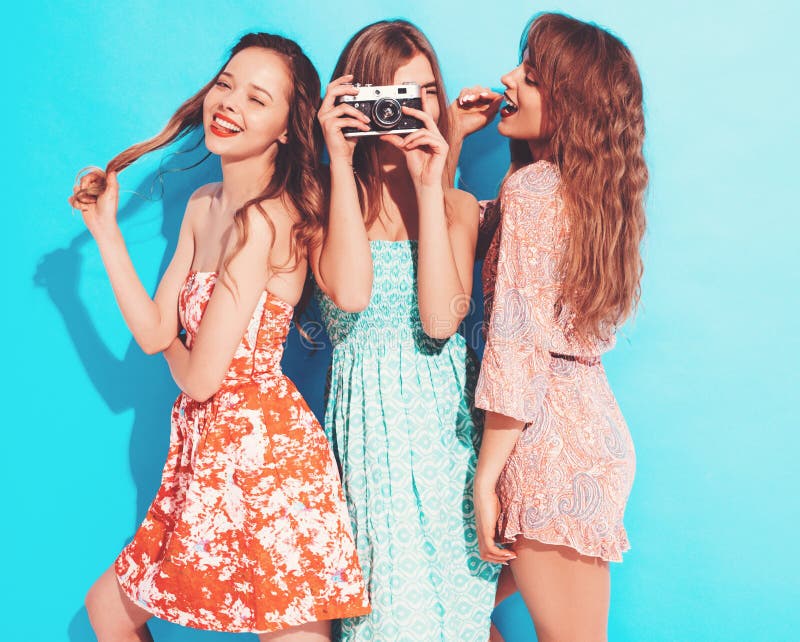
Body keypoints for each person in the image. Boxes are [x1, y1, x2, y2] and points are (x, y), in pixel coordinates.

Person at [69, 33, 369, 641]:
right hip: (208, 455)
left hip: (266, 459)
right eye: (226, 84)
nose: (229, 103)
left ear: (287, 127)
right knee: (108, 610)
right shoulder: (204, 205)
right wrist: (104, 231)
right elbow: (156, 329)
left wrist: (168, 345)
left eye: (258, 98)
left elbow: (200, 375)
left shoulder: (267, 218)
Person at [451, 12, 648, 642]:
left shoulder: (537, 192)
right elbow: (461, 236)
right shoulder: (575, 194)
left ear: (570, 105)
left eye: (529, 77)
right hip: (576, 432)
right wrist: (452, 140)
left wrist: (485, 481)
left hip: (547, 448)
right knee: (447, 613)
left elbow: (518, 343)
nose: (507, 79)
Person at [310, 19, 499, 642]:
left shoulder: (456, 205)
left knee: (462, 616)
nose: (403, 112)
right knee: (389, 622)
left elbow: (443, 321)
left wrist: (432, 182)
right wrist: (339, 161)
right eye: (385, 97)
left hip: (447, 432)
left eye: (419, 95)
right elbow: (351, 294)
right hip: (370, 436)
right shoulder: (320, 203)